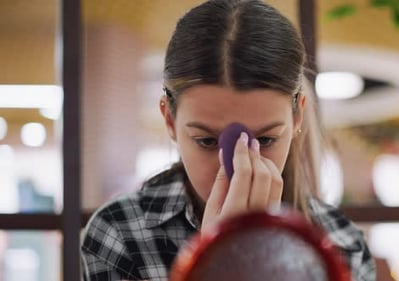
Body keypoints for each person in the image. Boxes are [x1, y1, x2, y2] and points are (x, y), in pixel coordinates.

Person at [80, 0, 376, 280]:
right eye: (207, 141)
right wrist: (214, 260)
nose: (237, 167)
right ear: (170, 120)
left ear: (297, 118)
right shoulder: (120, 233)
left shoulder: (341, 245)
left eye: (266, 139)